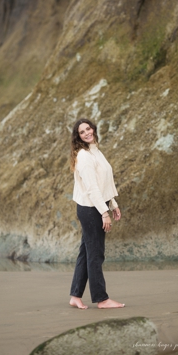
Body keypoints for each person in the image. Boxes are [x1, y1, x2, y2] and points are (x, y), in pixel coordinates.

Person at [67, 118, 125, 309]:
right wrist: (104, 213)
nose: (87, 133)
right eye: (82, 132)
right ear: (78, 137)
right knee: (95, 254)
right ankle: (102, 299)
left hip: (96, 206)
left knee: (86, 252)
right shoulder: (84, 156)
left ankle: (75, 295)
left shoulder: (95, 150)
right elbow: (92, 189)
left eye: (88, 129)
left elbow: (105, 181)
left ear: (93, 129)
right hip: (90, 210)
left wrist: (113, 203)